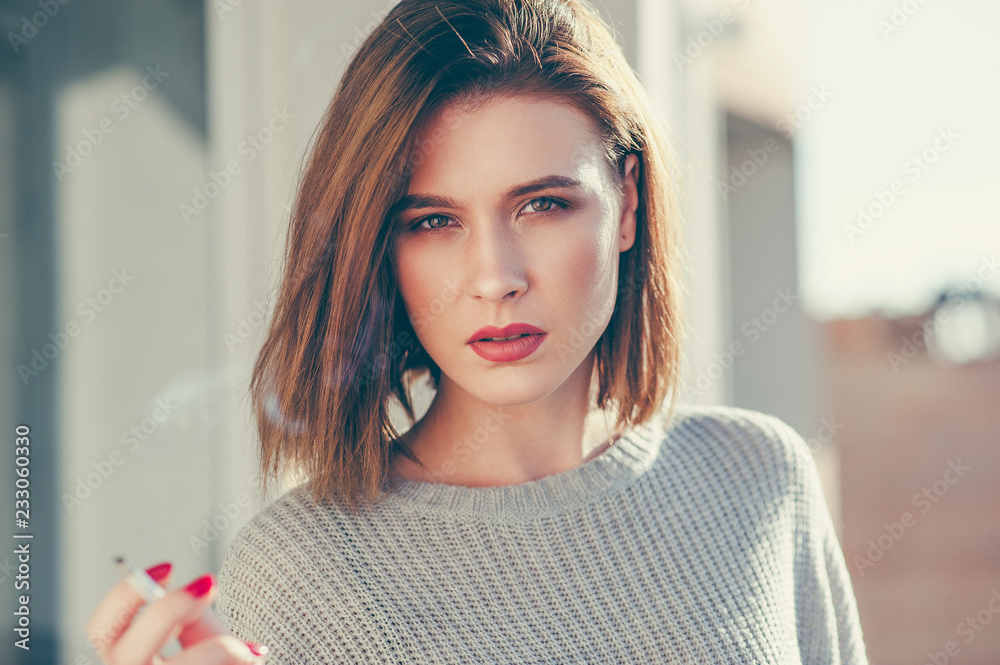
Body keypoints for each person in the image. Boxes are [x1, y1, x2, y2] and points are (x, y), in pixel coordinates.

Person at [86, 0, 870, 663]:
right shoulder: (300, 573)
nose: (494, 276)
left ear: (628, 201)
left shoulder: (759, 480)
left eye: (542, 205)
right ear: (379, 245)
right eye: (432, 220)